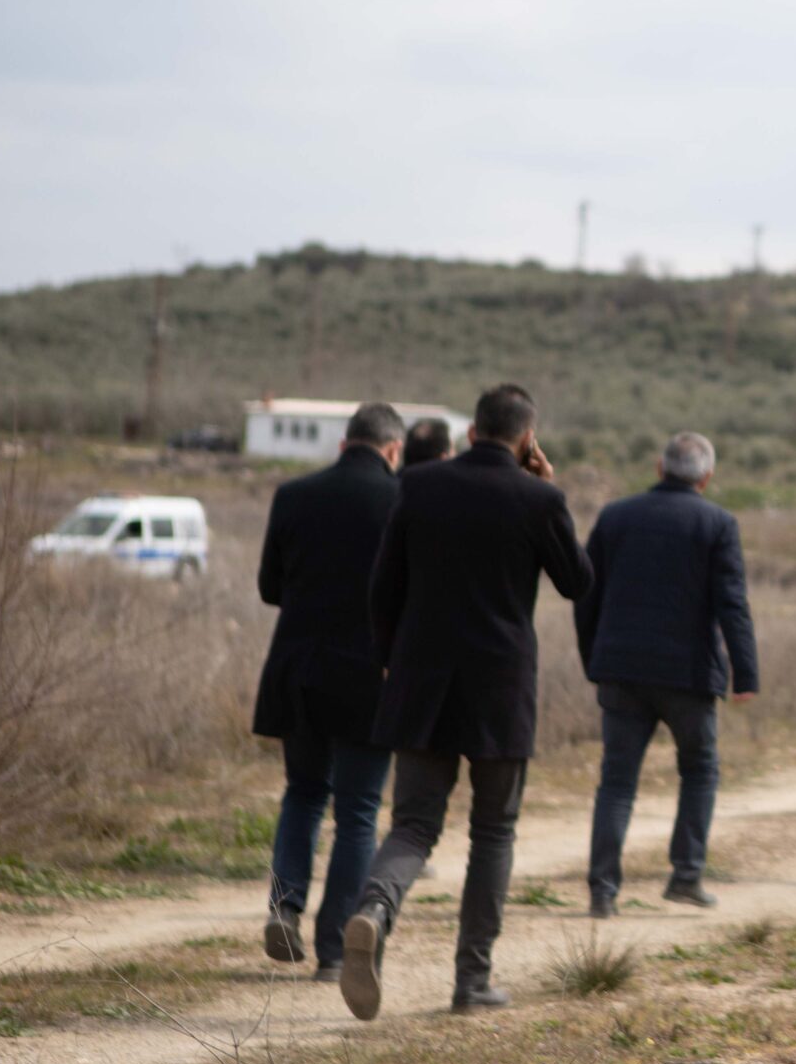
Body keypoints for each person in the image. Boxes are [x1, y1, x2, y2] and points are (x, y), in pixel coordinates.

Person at [341, 383, 592, 1019]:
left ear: (473, 432)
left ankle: (374, 909)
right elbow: (578, 582)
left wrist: (392, 659)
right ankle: (471, 980)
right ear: (527, 439)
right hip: (500, 690)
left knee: (414, 824)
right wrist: (547, 488)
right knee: (494, 831)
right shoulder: (539, 498)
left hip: (421, 683)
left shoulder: (418, 485)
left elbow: (382, 587)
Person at [574, 431, 759, 917]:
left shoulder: (615, 517)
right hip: (689, 674)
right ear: (707, 477)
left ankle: (602, 891)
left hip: (621, 670)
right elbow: (732, 604)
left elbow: (586, 594)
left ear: (659, 468)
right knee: (699, 771)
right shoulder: (718, 523)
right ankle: (686, 876)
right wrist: (745, 673)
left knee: (617, 782)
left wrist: (594, 657)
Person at [251, 402, 404, 982]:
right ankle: (335, 951)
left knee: (304, 792)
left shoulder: (293, 494)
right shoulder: (400, 500)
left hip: (299, 669)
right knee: (358, 811)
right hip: (369, 675)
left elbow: (270, 588)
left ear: (344, 444)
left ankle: (285, 906)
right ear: (393, 450)